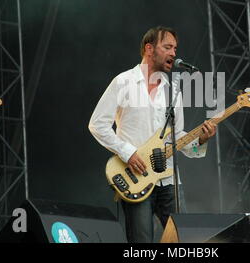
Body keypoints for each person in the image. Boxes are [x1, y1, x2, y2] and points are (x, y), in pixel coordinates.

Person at [88, 26, 216, 243]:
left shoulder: (173, 89)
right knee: (142, 244)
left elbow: (177, 135)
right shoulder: (123, 82)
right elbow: (97, 124)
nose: (174, 53)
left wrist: (201, 140)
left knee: (185, 242)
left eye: (175, 48)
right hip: (136, 177)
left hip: (169, 180)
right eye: (167, 47)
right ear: (149, 49)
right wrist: (128, 153)